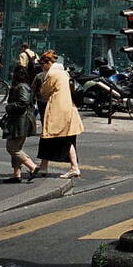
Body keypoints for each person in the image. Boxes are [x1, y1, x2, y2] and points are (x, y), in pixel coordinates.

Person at [36, 50, 83, 178]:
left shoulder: (52, 74)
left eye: (42, 64)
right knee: (65, 139)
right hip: (69, 110)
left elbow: (44, 92)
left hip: (58, 111)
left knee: (56, 139)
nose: (41, 67)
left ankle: (73, 167)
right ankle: (44, 166)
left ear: (47, 63)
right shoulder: (64, 73)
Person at [1, 65, 37, 182]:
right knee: (17, 147)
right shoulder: (23, 86)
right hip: (20, 121)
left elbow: (23, 102)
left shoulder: (21, 87)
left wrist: (9, 107)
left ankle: (32, 167)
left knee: (12, 148)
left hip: (20, 121)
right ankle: (16, 174)